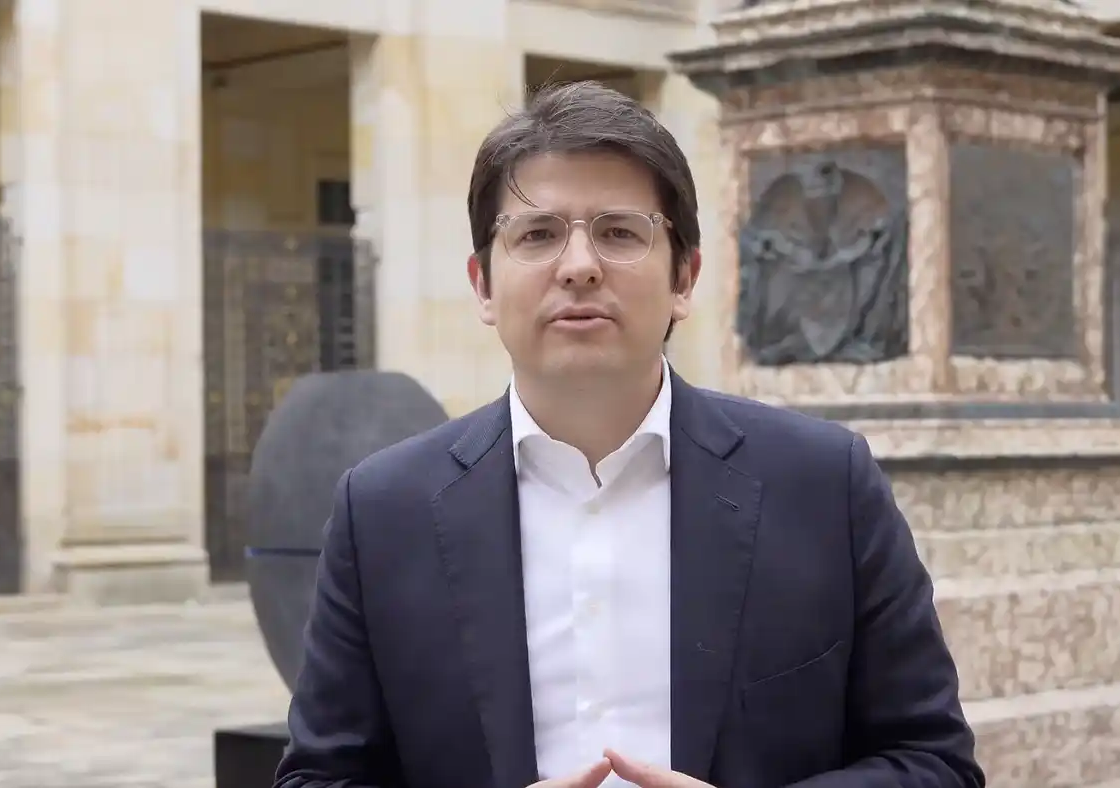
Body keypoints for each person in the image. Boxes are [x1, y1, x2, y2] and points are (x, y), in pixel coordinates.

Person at [273, 81, 984, 788]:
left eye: (619, 232)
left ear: (685, 276)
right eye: (538, 234)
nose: (579, 265)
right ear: (483, 285)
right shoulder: (384, 512)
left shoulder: (826, 486)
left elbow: (935, 764)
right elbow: (318, 779)